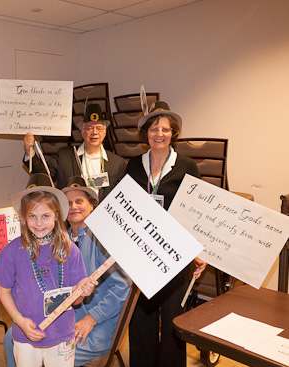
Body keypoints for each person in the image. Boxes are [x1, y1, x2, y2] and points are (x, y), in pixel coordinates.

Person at [3, 176, 131, 367]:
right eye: (68, 203)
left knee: (48, 350)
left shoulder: (102, 240)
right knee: (11, 336)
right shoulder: (60, 241)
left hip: (94, 325)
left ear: (92, 205)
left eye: (79, 201)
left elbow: (123, 287)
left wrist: (91, 319)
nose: (73, 207)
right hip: (62, 316)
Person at [126, 101, 207, 367]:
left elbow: (197, 213)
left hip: (175, 251)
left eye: (165, 129)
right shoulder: (134, 166)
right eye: (153, 128)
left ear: (174, 133)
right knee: (142, 317)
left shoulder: (186, 166)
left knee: (174, 316)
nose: (159, 134)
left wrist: (200, 251)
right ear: (145, 133)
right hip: (142, 251)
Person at [0, 174, 97, 367]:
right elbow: (4, 291)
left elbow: (77, 300)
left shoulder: (70, 250)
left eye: (45, 216)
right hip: (25, 334)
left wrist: (83, 290)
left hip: (62, 334)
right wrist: (19, 320)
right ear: (23, 217)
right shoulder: (12, 251)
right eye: (32, 216)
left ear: (57, 216)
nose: (38, 223)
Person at [23, 103, 126, 201]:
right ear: (82, 132)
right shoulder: (64, 156)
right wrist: (29, 151)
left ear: (104, 132)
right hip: (72, 215)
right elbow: (44, 176)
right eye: (89, 128)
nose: (94, 132)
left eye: (99, 128)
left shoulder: (117, 163)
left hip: (102, 217)